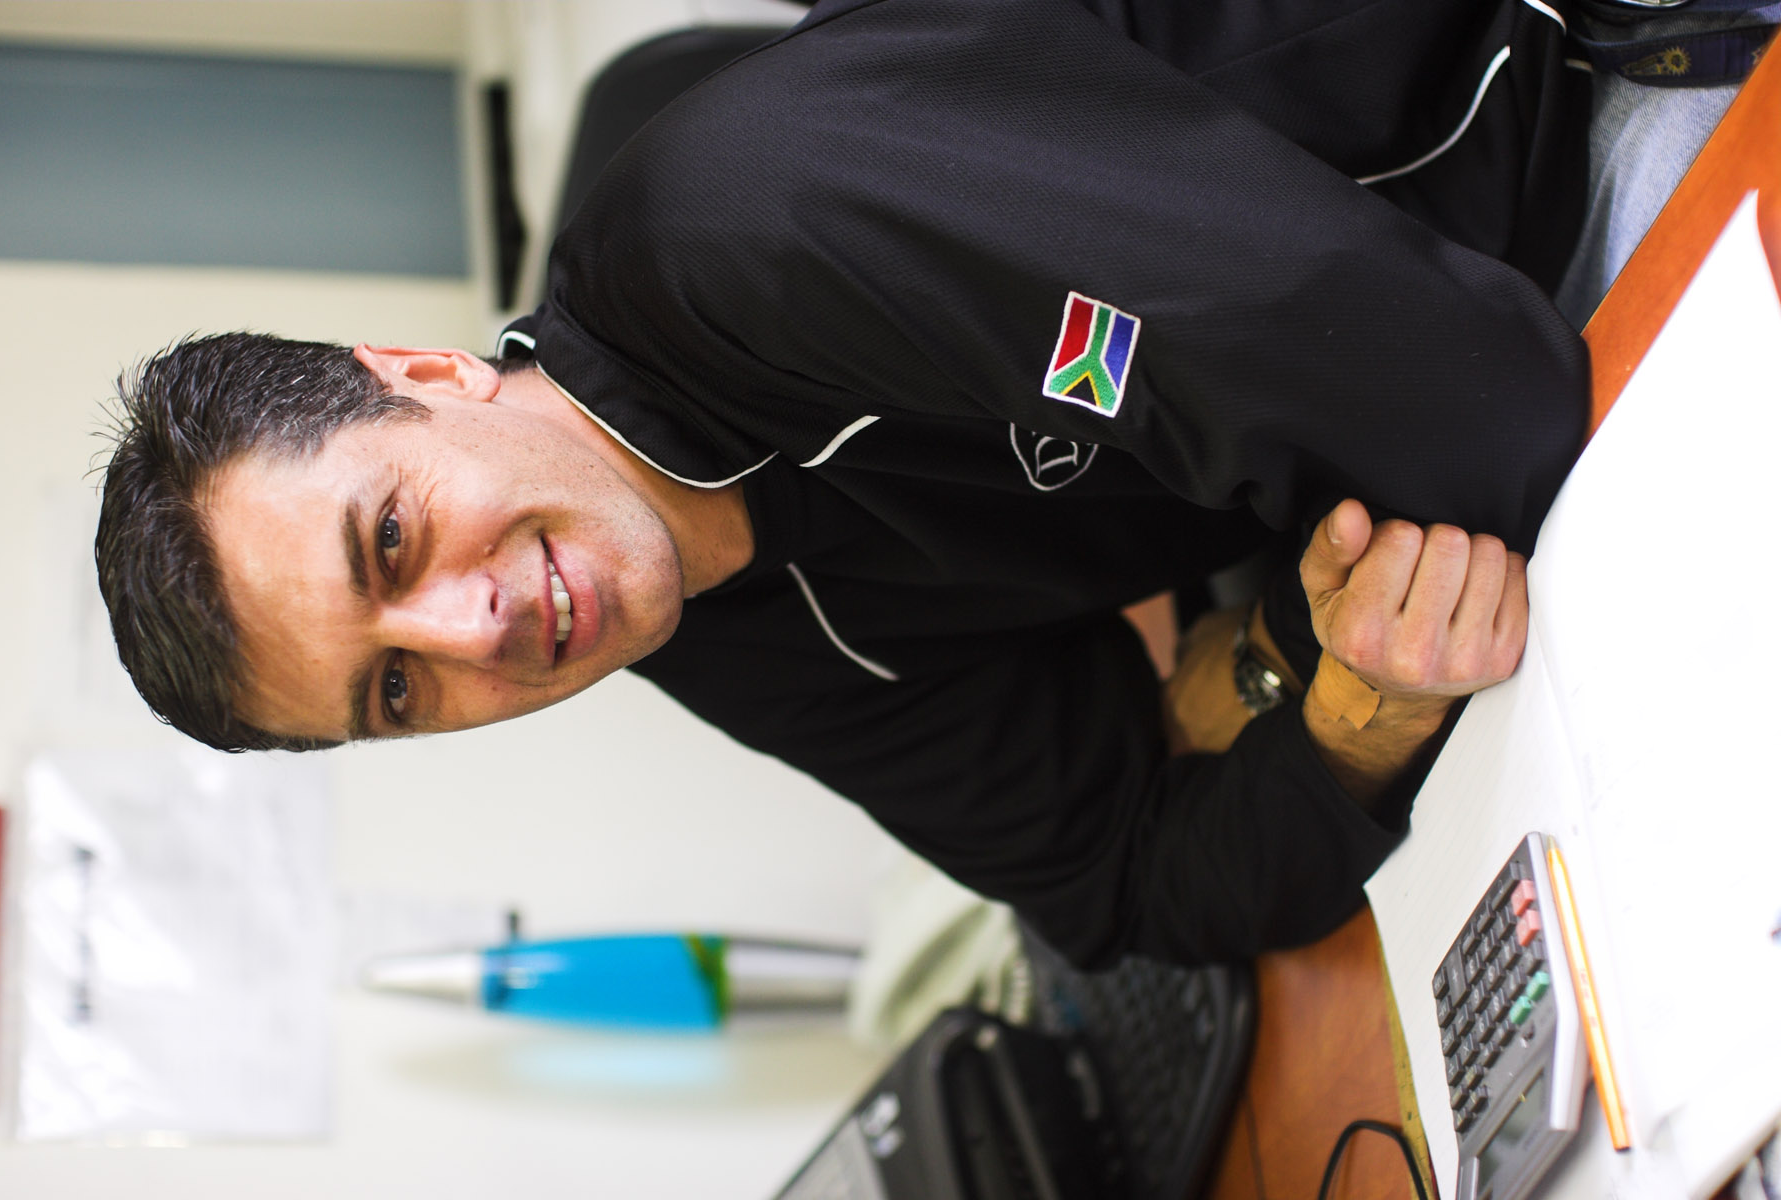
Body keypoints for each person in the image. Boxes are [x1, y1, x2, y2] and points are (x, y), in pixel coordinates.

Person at [95, 0, 1594, 969]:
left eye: (392, 540)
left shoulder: (753, 215)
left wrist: (1284, 647)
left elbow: (1477, 406)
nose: (471, 632)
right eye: (396, 690)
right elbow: (1128, 884)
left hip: (1565, 118)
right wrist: (1361, 706)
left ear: (425, 374)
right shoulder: (688, 624)